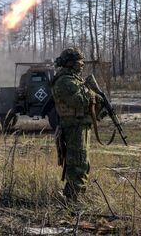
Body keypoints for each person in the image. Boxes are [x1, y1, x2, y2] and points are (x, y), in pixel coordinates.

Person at [51, 47, 104, 201]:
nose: (82, 64)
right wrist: (92, 94)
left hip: (80, 125)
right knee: (78, 162)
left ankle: (74, 195)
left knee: (82, 162)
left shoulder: (74, 79)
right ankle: (73, 198)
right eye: (79, 61)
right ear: (70, 63)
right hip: (74, 127)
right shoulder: (64, 81)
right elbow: (78, 100)